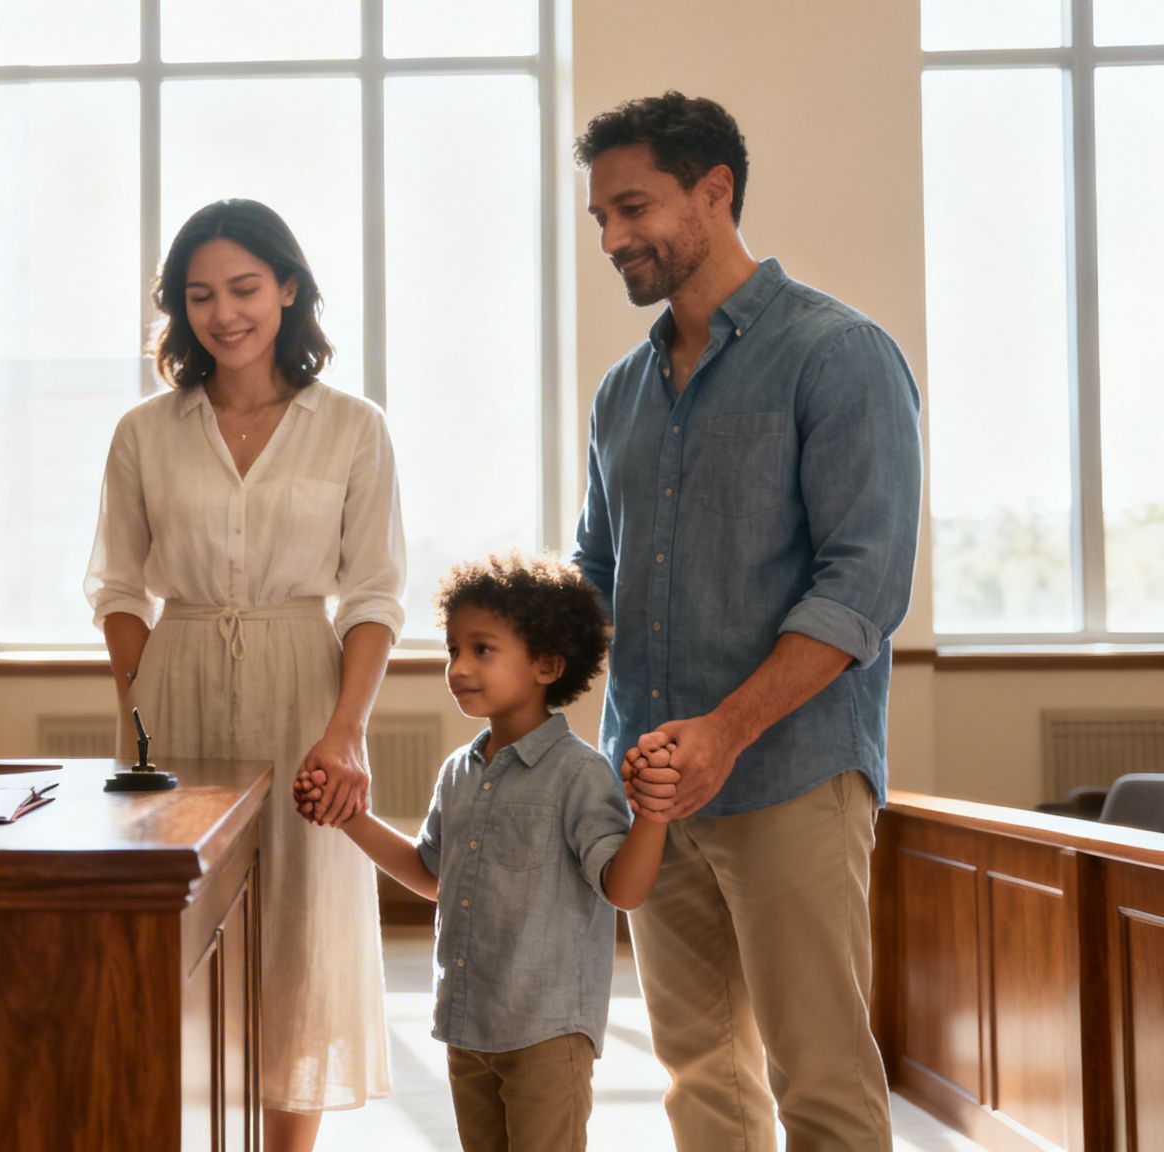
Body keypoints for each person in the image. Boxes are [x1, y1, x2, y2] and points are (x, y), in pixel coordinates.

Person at [571, 93, 922, 1149]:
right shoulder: (620, 392)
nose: (611, 238)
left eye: (631, 207)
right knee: (699, 1080)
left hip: (790, 775)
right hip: (653, 789)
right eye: (597, 217)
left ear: (712, 192)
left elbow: (862, 583)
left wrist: (723, 733)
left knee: (817, 1079)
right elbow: (595, 569)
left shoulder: (839, 355)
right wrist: (514, 668)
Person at [86, 198, 406, 1151]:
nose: (223, 313)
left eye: (244, 288)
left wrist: (344, 731)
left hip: (304, 687)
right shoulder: (146, 431)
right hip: (174, 681)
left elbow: (375, 594)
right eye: (199, 295)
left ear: (289, 289)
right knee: (174, 925)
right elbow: (116, 580)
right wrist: (140, 708)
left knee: (301, 926)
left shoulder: (353, 427)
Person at [294, 553, 667, 1152]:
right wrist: (349, 818)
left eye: (481, 649)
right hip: (470, 1026)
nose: (458, 667)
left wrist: (653, 814)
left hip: (547, 1034)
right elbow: (429, 873)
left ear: (548, 664)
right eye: (451, 649)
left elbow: (624, 890)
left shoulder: (579, 775)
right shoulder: (459, 772)